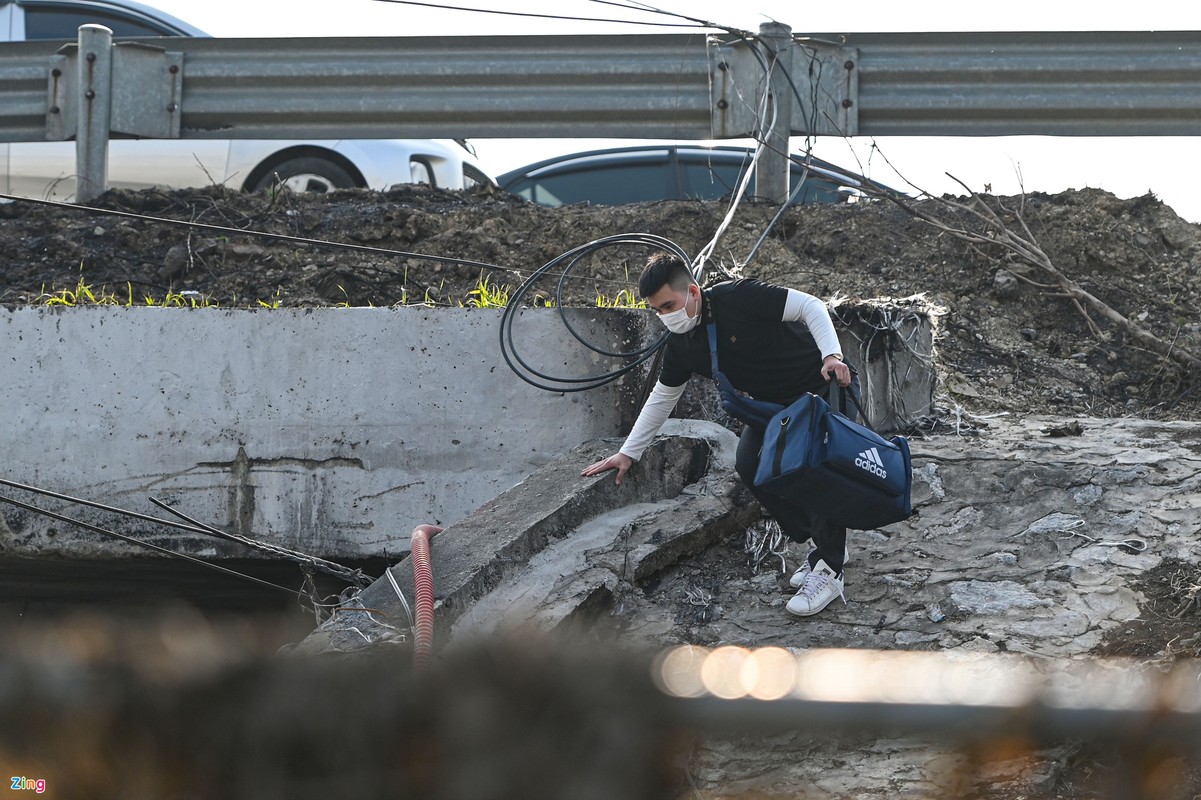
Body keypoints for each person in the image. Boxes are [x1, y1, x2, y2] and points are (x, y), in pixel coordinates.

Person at [581, 252, 855, 618]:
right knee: (749, 464)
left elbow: (810, 306)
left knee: (812, 470)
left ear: (693, 291)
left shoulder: (738, 297)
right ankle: (825, 540)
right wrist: (628, 453)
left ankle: (830, 568)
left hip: (817, 390)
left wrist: (830, 356)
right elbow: (662, 397)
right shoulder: (682, 344)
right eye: (657, 310)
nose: (665, 316)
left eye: (669, 305)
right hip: (771, 408)